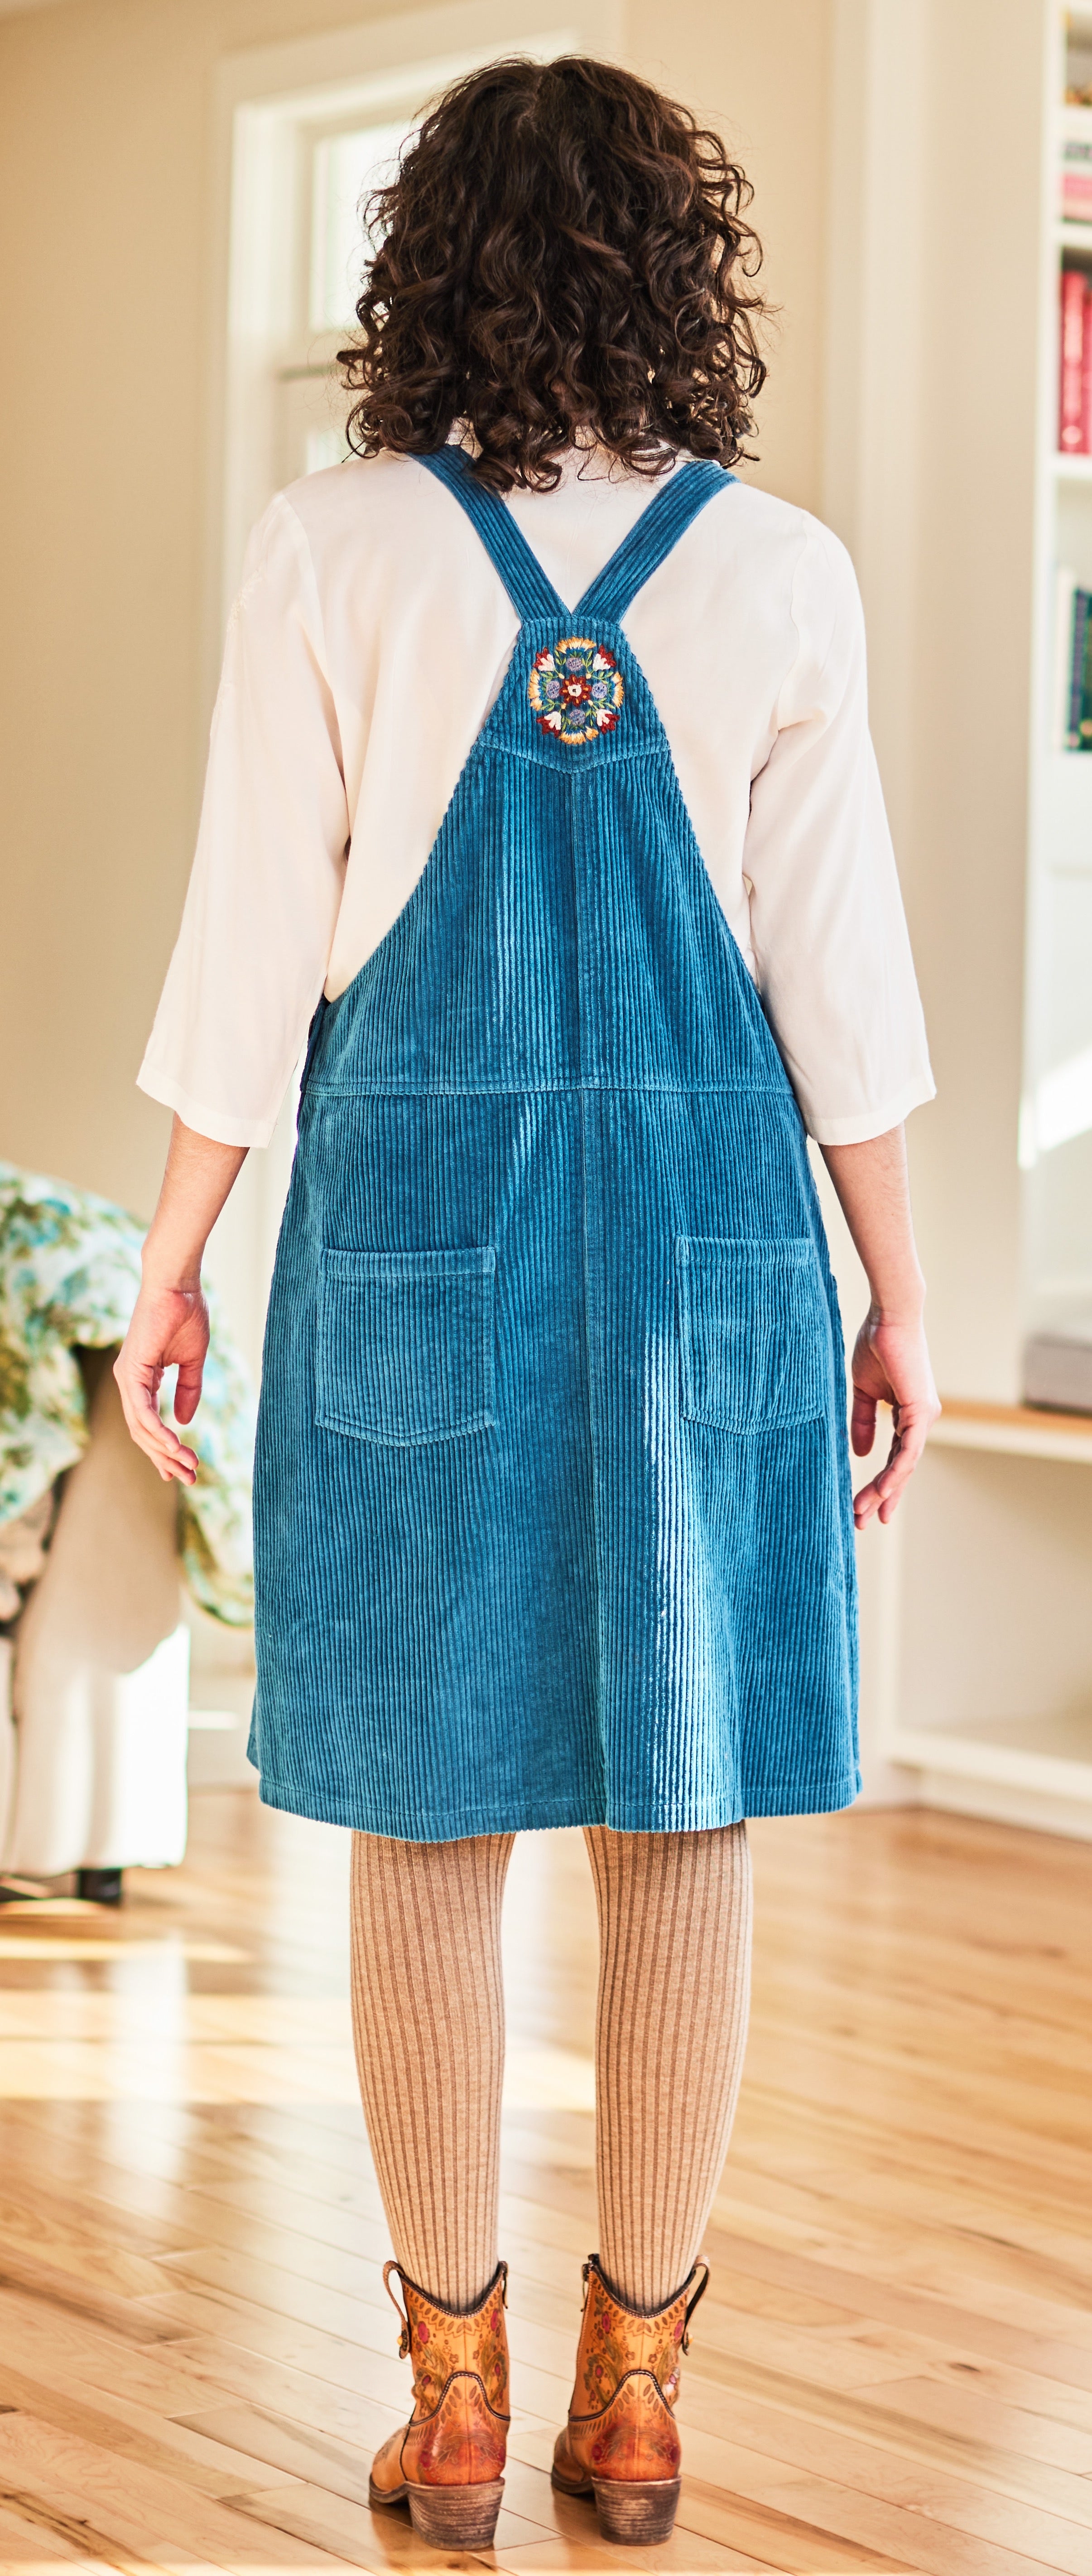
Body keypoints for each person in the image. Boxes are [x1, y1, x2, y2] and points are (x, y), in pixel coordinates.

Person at [116, 54, 938, 2552]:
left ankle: (453, 2397)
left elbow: (251, 948)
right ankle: (640, 2402)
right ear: (681, 268)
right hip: (713, 1251)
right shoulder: (780, 572)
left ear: (427, 264)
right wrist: (902, 1295)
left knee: (423, 1811)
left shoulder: (333, 544)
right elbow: (848, 983)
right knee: (682, 1809)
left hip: (405, 1239)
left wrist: (166, 1264)